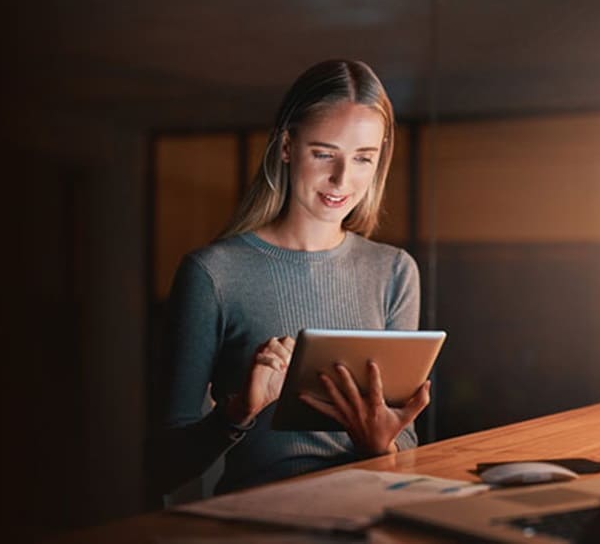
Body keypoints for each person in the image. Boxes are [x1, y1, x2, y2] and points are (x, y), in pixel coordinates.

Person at [155, 59, 432, 497]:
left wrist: (379, 442)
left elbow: (405, 449)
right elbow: (164, 466)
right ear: (286, 147)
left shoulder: (395, 271)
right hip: (260, 522)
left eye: (363, 158)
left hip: (370, 512)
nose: (343, 179)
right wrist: (238, 413)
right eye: (324, 153)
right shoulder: (213, 274)